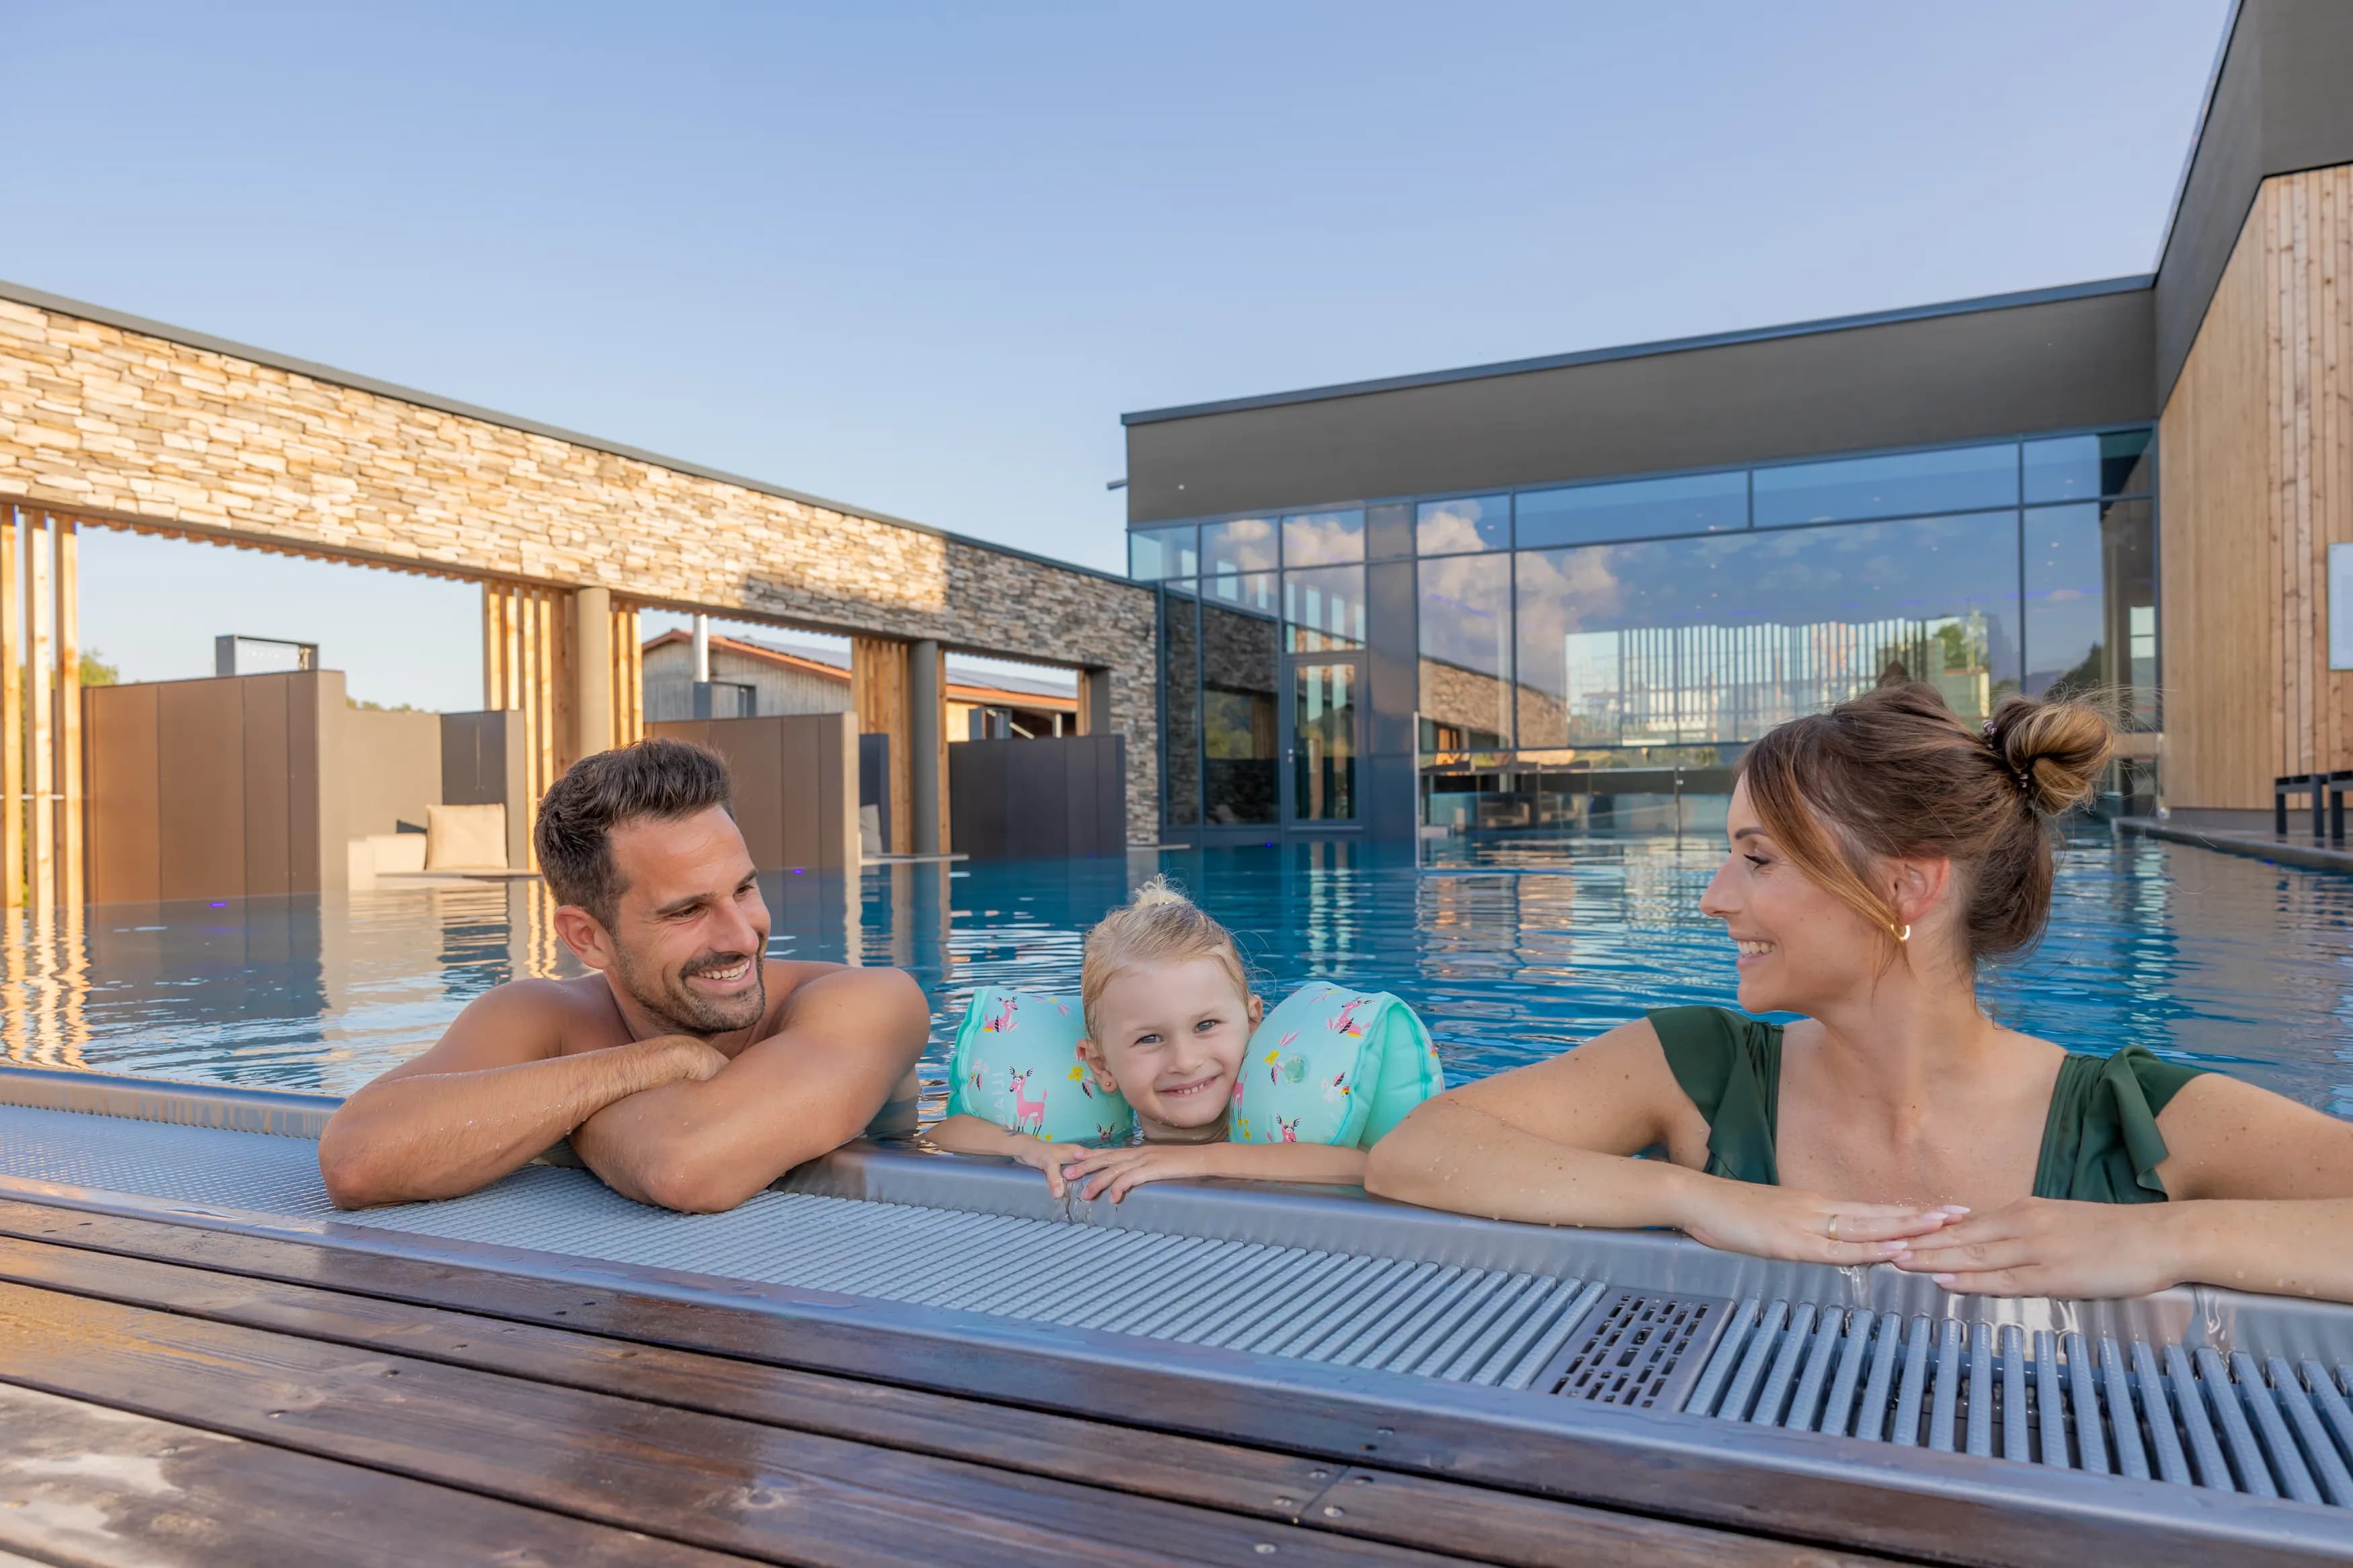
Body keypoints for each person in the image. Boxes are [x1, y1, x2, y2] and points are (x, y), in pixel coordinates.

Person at [1366, 682, 2353, 1303]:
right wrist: (1697, 1197)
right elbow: (1419, 1149)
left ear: (1903, 887)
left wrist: (2170, 1236)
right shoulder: (1695, 1066)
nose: (1714, 898)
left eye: (1757, 858)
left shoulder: (2137, 1119)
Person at [318, 739, 928, 1213]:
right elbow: (357, 1158)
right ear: (587, 937)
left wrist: (556, 1110)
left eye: (744, 889)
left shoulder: (871, 1000)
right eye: (688, 910)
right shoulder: (540, 1015)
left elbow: (686, 1164)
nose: (743, 937)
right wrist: (656, 1062)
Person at [926, 880, 1384, 1200]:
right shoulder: (1108, 1148)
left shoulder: (1287, 1144)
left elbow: (1366, 1167)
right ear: (1101, 1065)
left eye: (1206, 1025)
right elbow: (942, 1133)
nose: (1184, 1060)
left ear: (1253, 1024)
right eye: (1149, 1038)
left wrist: (1201, 1161)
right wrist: (1028, 1147)